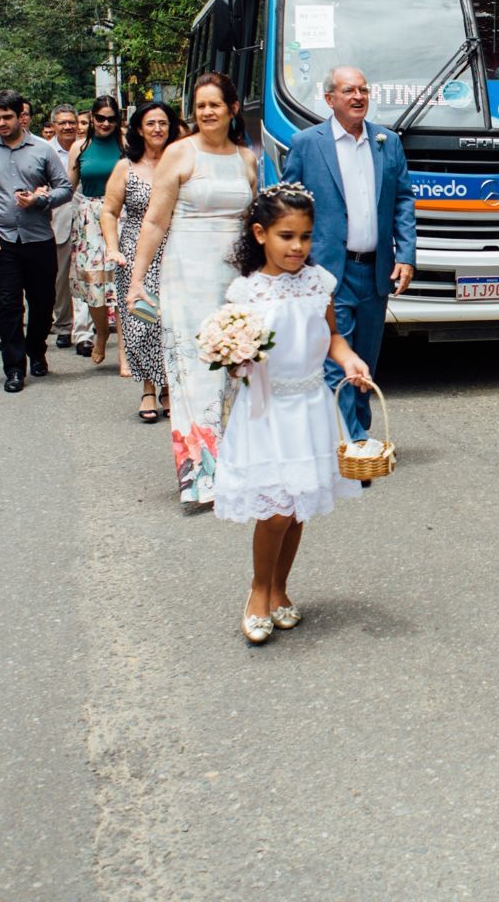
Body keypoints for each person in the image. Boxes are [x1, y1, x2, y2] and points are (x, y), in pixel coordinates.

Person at [215, 184, 375, 644]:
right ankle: (258, 590)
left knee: (298, 505)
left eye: (305, 236)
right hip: (267, 409)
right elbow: (232, 349)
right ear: (261, 234)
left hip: (310, 405)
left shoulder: (318, 282)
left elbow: (333, 337)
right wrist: (234, 355)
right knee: (277, 511)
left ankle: (281, 590)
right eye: (287, 236)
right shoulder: (245, 292)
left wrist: (349, 361)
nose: (297, 247)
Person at [129, 73, 256, 509]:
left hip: (235, 281)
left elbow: (256, 226)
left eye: (214, 105)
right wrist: (137, 279)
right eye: (199, 106)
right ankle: (200, 476)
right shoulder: (179, 154)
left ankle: (237, 467)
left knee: (240, 369)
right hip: (186, 276)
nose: (206, 112)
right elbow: (154, 221)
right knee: (195, 375)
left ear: (232, 109)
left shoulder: (247, 158)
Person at [277, 66, 415, 440]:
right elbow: (288, 207)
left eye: (363, 90)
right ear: (329, 99)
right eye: (349, 90)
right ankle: (351, 439)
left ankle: (355, 429)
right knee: (337, 362)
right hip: (327, 272)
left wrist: (405, 255)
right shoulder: (307, 144)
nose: (358, 97)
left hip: (375, 272)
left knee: (365, 360)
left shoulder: (388, 142)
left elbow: (403, 200)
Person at [0, 88, 74, 393]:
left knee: (42, 302)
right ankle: (14, 368)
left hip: (38, 237)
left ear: (21, 117)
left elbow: (64, 188)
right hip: (0, 239)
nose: (0, 123)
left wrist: (40, 200)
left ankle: (37, 349)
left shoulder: (42, 149)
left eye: (7, 117)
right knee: (8, 305)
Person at [102, 100, 183, 423]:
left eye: (163, 123)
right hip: (136, 249)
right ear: (139, 128)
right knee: (142, 322)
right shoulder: (126, 166)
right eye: (151, 124)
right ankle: (149, 387)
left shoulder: (180, 162)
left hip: (176, 247)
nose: (157, 129)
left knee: (172, 323)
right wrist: (112, 247)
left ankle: (168, 388)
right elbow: (108, 211)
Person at [68, 96, 123, 366]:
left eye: (111, 118)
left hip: (122, 216)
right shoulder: (81, 147)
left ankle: (125, 350)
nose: (105, 123)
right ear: (92, 118)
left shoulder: (126, 144)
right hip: (89, 218)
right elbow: (67, 188)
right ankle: (101, 333)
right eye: (100, 117)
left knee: (122, 282)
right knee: (94, 284)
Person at [46, 104, 83, 351]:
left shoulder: (86, 147)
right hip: (57, 218)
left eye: (72, 122)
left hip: (88, 216)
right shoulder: (44, 150)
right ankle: (63, 325)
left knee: (86, 274)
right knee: (60, 277)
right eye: (63, 123)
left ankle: (85, 327)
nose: (68, 126)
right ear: (54, 126)